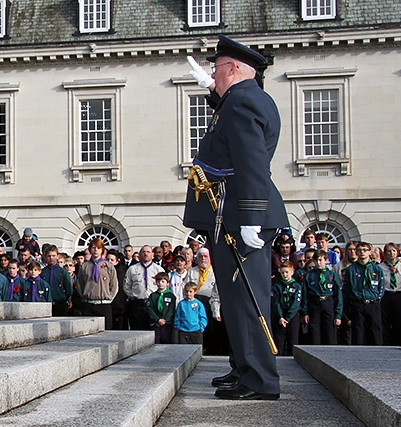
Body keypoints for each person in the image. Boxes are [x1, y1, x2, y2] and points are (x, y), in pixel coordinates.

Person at [183, 35, 287, 400]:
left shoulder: (243, 101)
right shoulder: (241, 100)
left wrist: (252, 216)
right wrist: (210, 88)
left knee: (246, 297)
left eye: (216, 69)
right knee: (234, 295)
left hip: (241, 211)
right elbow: (232, 136)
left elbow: (250, 160)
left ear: (233, 68)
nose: (214, 73)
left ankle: (260, 378)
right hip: (231, 211)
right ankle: (244, 367)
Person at [343, 241, 385, 345]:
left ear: (369, 252)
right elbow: (347, 289)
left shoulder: (377, 269)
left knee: (375, 331)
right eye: (359, 250)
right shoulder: (350, 270)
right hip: (358, 303)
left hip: (373, 303)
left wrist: (377, 299)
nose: (362, 252)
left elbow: (381, 287)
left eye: (365, 250)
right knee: (358, 332)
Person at [76, 238, 119, 329]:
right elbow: (80, 284)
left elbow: (114, 284)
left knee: (106, 331)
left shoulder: (108, 266)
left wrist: (109, 297)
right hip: (88, 304)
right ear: (90, 249)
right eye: (93, 247)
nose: (95, 250)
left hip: (104, 304)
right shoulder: (84, 266)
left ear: (102, 250)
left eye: (98, 248)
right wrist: (84, 295)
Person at [301, 250, 343, 345]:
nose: (318, 263)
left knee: (330, 330)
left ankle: (331, 352)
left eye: (321, 260)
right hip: (314, 303)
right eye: (316, 260)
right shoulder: (309, 275)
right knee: (314, 330)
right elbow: (305, 295)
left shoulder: (332, 275)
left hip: (328, 302)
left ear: (326, 260)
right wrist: (305, 312)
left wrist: (338, 314)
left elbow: (338, 296)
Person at [124, 245, 165, 330]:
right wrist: (133, 296)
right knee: (136, 331)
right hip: (137, 305)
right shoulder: (132, 269)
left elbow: (164, 287)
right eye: (143, 252)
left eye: (148, 252)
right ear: (140, 254)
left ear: (152, 254)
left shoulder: (159, 270)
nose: (146, 254)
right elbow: (126, 285)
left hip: (154, 305)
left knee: (153, 331)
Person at [271, 261, 303, 356]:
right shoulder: (277, 286)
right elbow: (276, 303)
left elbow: (296, 304)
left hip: (292, 316)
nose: (285, 275)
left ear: (292, 272)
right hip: (280, 316)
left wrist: (288, 318)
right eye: (282, 272)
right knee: (279, 341)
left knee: (292, 341)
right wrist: (281, 317)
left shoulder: (297, 286)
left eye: (287, 272)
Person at [40, 245, 73, 316]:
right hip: (45, 304)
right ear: (45, 257)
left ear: (57, 256)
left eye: (53, 255)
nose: (51, 258)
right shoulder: (42, 272)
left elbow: (68, 289)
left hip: (60, 304)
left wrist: (63, 297)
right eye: (49, 256)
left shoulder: (63, 272)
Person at [146, 272, 176, 344]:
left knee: (166, 342)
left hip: (167, 324)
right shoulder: (153, 295)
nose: (160, 283)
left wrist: (164, 320)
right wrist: (157, 320)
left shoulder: (171, 296)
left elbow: (171, 310)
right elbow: (150, 309)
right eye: (158, 281)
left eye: (163, 281)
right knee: (156, 342)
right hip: (155, 324)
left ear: (167, 283)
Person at [380, 242, 401, 345]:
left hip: (398, 295)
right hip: (386, 295)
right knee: (385, 322)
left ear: (397, 252)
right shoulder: (380, 267)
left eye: (393, 251)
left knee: (398, 322)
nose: (391, 253)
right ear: (385, 253)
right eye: (388, 251)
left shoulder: (400, 266)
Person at [106, 249, 129, 330]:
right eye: (108, 259)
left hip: (119, 304)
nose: (109, 261)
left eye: (112, 260)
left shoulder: (121, 271)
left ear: (117, 261)